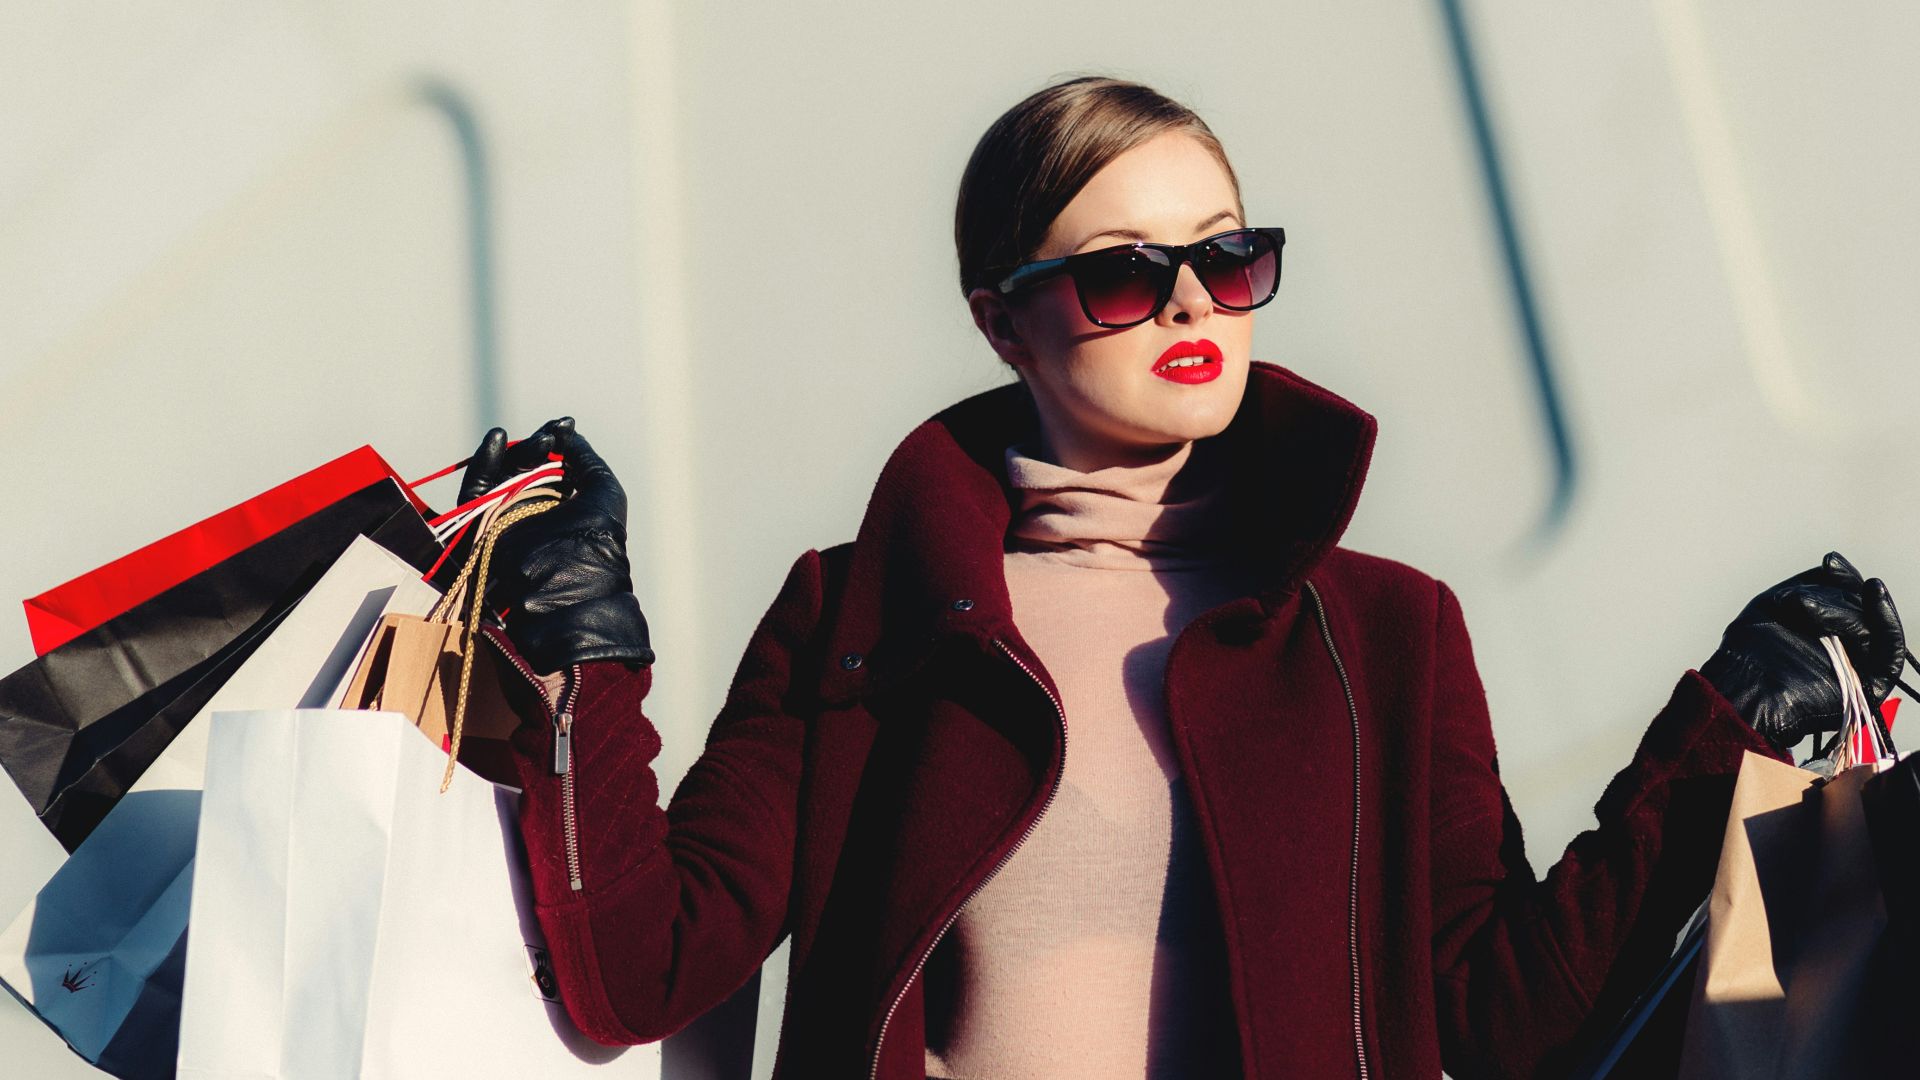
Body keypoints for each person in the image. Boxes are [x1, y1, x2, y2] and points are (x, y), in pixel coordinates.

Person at [458, 77, 1906, 1079]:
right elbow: (641, 967)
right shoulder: (864, 613)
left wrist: (1719, 728)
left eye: (1229, 255)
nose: (1194, 304)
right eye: (1121, 274)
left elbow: (1503, 1018)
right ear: (1002, 320)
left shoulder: (1385, 633)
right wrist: (585, 646)